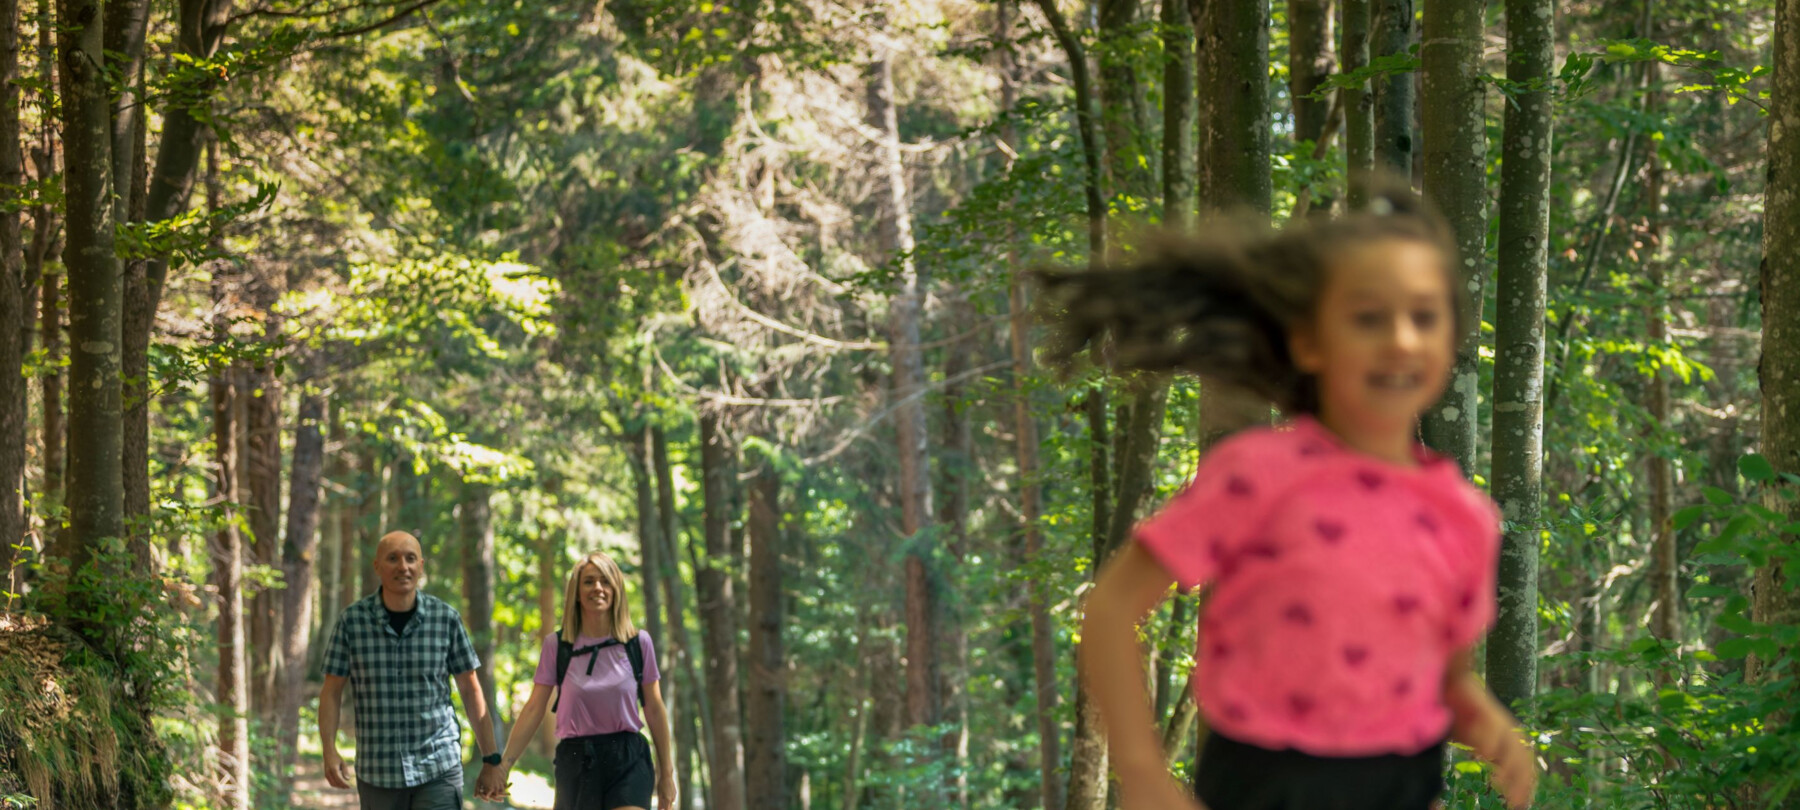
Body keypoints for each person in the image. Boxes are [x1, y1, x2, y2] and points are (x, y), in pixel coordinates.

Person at [1043, 179, 1537, 810]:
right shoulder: (1257, 474)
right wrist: (1143, 774)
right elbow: (1111, 612)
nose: (1401, 339)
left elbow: (1448, 679)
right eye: (1368, 317)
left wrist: (1487, 723)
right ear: (1307, 341)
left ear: (1451, 337)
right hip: (1263, 784)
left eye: (1425, 316)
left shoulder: (1466, 517)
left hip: (1405, 785)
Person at [317, 530, 503, 809]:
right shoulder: (352, 622)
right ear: (377, 566)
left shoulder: (446, 619)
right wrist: (328, 750)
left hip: (438, 767)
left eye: (410, 558)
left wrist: (491, 759)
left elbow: (470, 688)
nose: (403, 566)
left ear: (421, 567)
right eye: (393, 558)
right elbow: (331, 691)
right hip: (378, 772)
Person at [488, 551, 677, 810]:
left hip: (627, 757)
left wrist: (666, 774)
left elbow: (654, 708)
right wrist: (505, 765)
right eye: (589, 581)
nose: (597, 588)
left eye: (605, 581)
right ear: (576, 592)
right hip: (576, 759)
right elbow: (534, 708)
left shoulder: (637, 643)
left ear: (616, 589)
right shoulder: (558, 646)